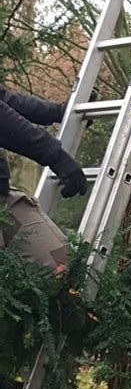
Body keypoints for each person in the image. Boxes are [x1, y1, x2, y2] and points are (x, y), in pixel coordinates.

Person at [0, 85, 87, 271]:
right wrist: (55, 156)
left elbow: (7, 100)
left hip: (2, 199)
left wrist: (58, 112)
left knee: (60, 265)